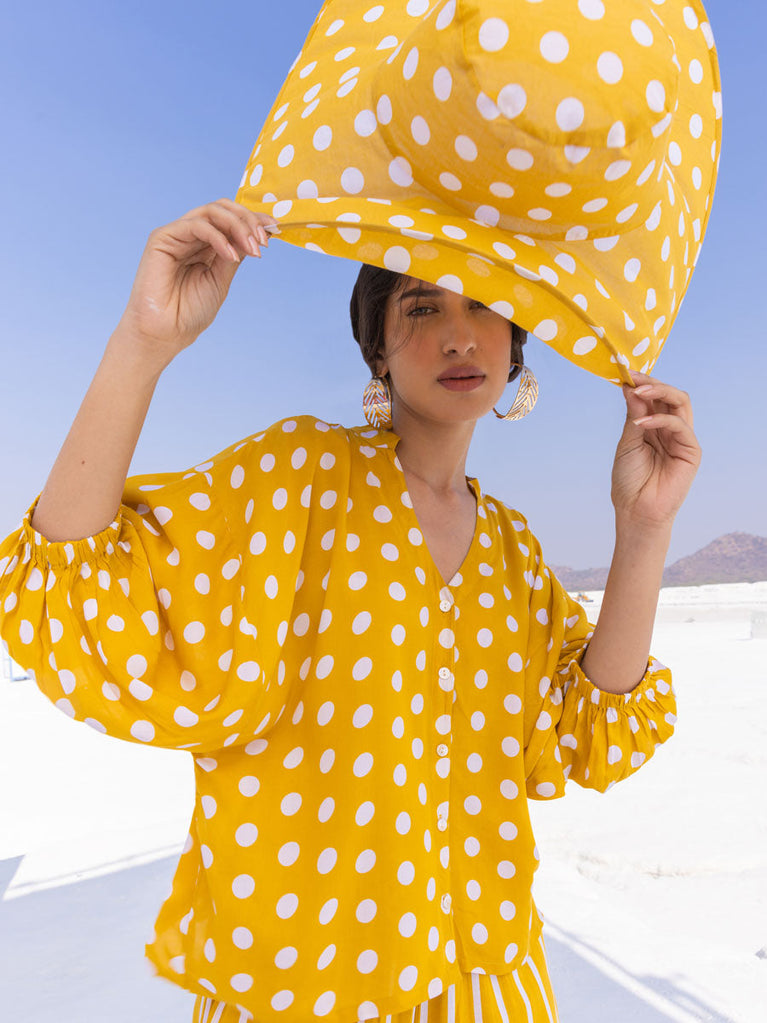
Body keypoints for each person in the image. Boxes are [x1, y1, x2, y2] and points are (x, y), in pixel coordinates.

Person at [0, 198, 700, 1023]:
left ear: (516, 345)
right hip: (305, 988)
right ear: (377, 348)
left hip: (486, 983)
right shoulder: (303, 478)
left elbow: (590, 729)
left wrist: (643, 527)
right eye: (421, 307)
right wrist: (142, 340)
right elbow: (75, 582)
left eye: (485, 305)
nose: (459, 335)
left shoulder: (511, 549)